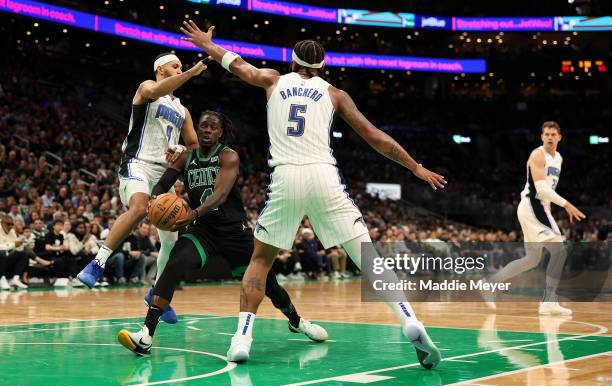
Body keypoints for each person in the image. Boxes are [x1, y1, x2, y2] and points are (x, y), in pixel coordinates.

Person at [181, 21, 446, 368]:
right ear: (323, 67)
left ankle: (242, 338)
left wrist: (206, 44)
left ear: (292, 63)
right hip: (324, 176)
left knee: (260, 260)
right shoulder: (335, 93)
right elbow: (375, 137)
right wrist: (415, 167)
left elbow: (237, 63)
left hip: (286, 177)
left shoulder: (274, 80)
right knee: (369, 258)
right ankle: (409, 319)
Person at [117, 111, 327, 356]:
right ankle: (146, 335)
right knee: (174, 264)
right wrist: (156, 201)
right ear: (197, 129)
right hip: (203, 231)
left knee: (270, 286)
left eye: (212, 127)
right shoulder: (185, 157)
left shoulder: (228, 156)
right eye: (203, 126)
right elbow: (163, 184)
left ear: (220, 132)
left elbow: (220, 195)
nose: (207, 130)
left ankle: (296, 320)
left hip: (234, 232)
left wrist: (193, 213)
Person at [76, 52, 206, 321]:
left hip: (164, 173)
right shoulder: (147, 89)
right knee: (138, 207)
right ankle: (97, 263)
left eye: (182, 67)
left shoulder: (183, 110)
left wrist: (180, 148)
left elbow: (193, 145)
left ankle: (157, 291)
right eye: (175, 66)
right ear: (160, 68)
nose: (180, 69)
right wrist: (191, 73)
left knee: (172, 238)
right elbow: (158, 88)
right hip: (137, 163)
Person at [484, 121, 586, 315]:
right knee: (559, 251)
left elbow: (548, 189)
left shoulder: (559, 158)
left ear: (559, 137)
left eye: (553, 134)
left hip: (541, 208)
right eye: (546, 134)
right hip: (532, 207)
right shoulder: (537, 155)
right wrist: (566, 204)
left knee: (531, 260)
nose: (549, 137)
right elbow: (540, 189)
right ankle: (548, 301)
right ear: (541, 137)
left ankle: (490, 282)